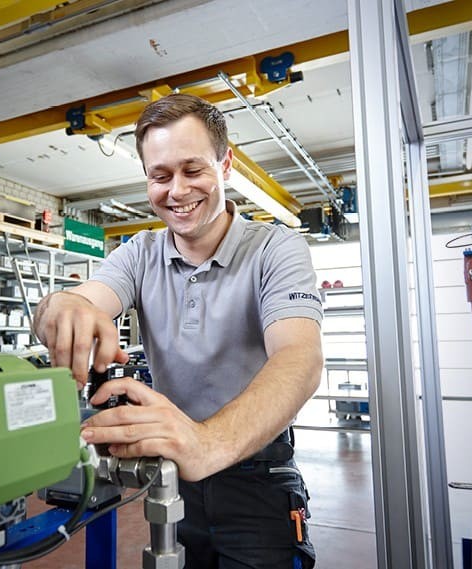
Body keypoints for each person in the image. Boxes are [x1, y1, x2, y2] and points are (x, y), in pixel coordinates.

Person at [34, 93, 323, 568]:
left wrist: (209, 442)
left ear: (225, 164)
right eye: (160, 176)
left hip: (256, 474)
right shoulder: (139, 253)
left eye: (193, 170)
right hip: (172, 473)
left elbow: (300, 358)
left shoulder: (277, 249)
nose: (177, 191)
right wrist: (60, 308)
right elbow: (82, 303)